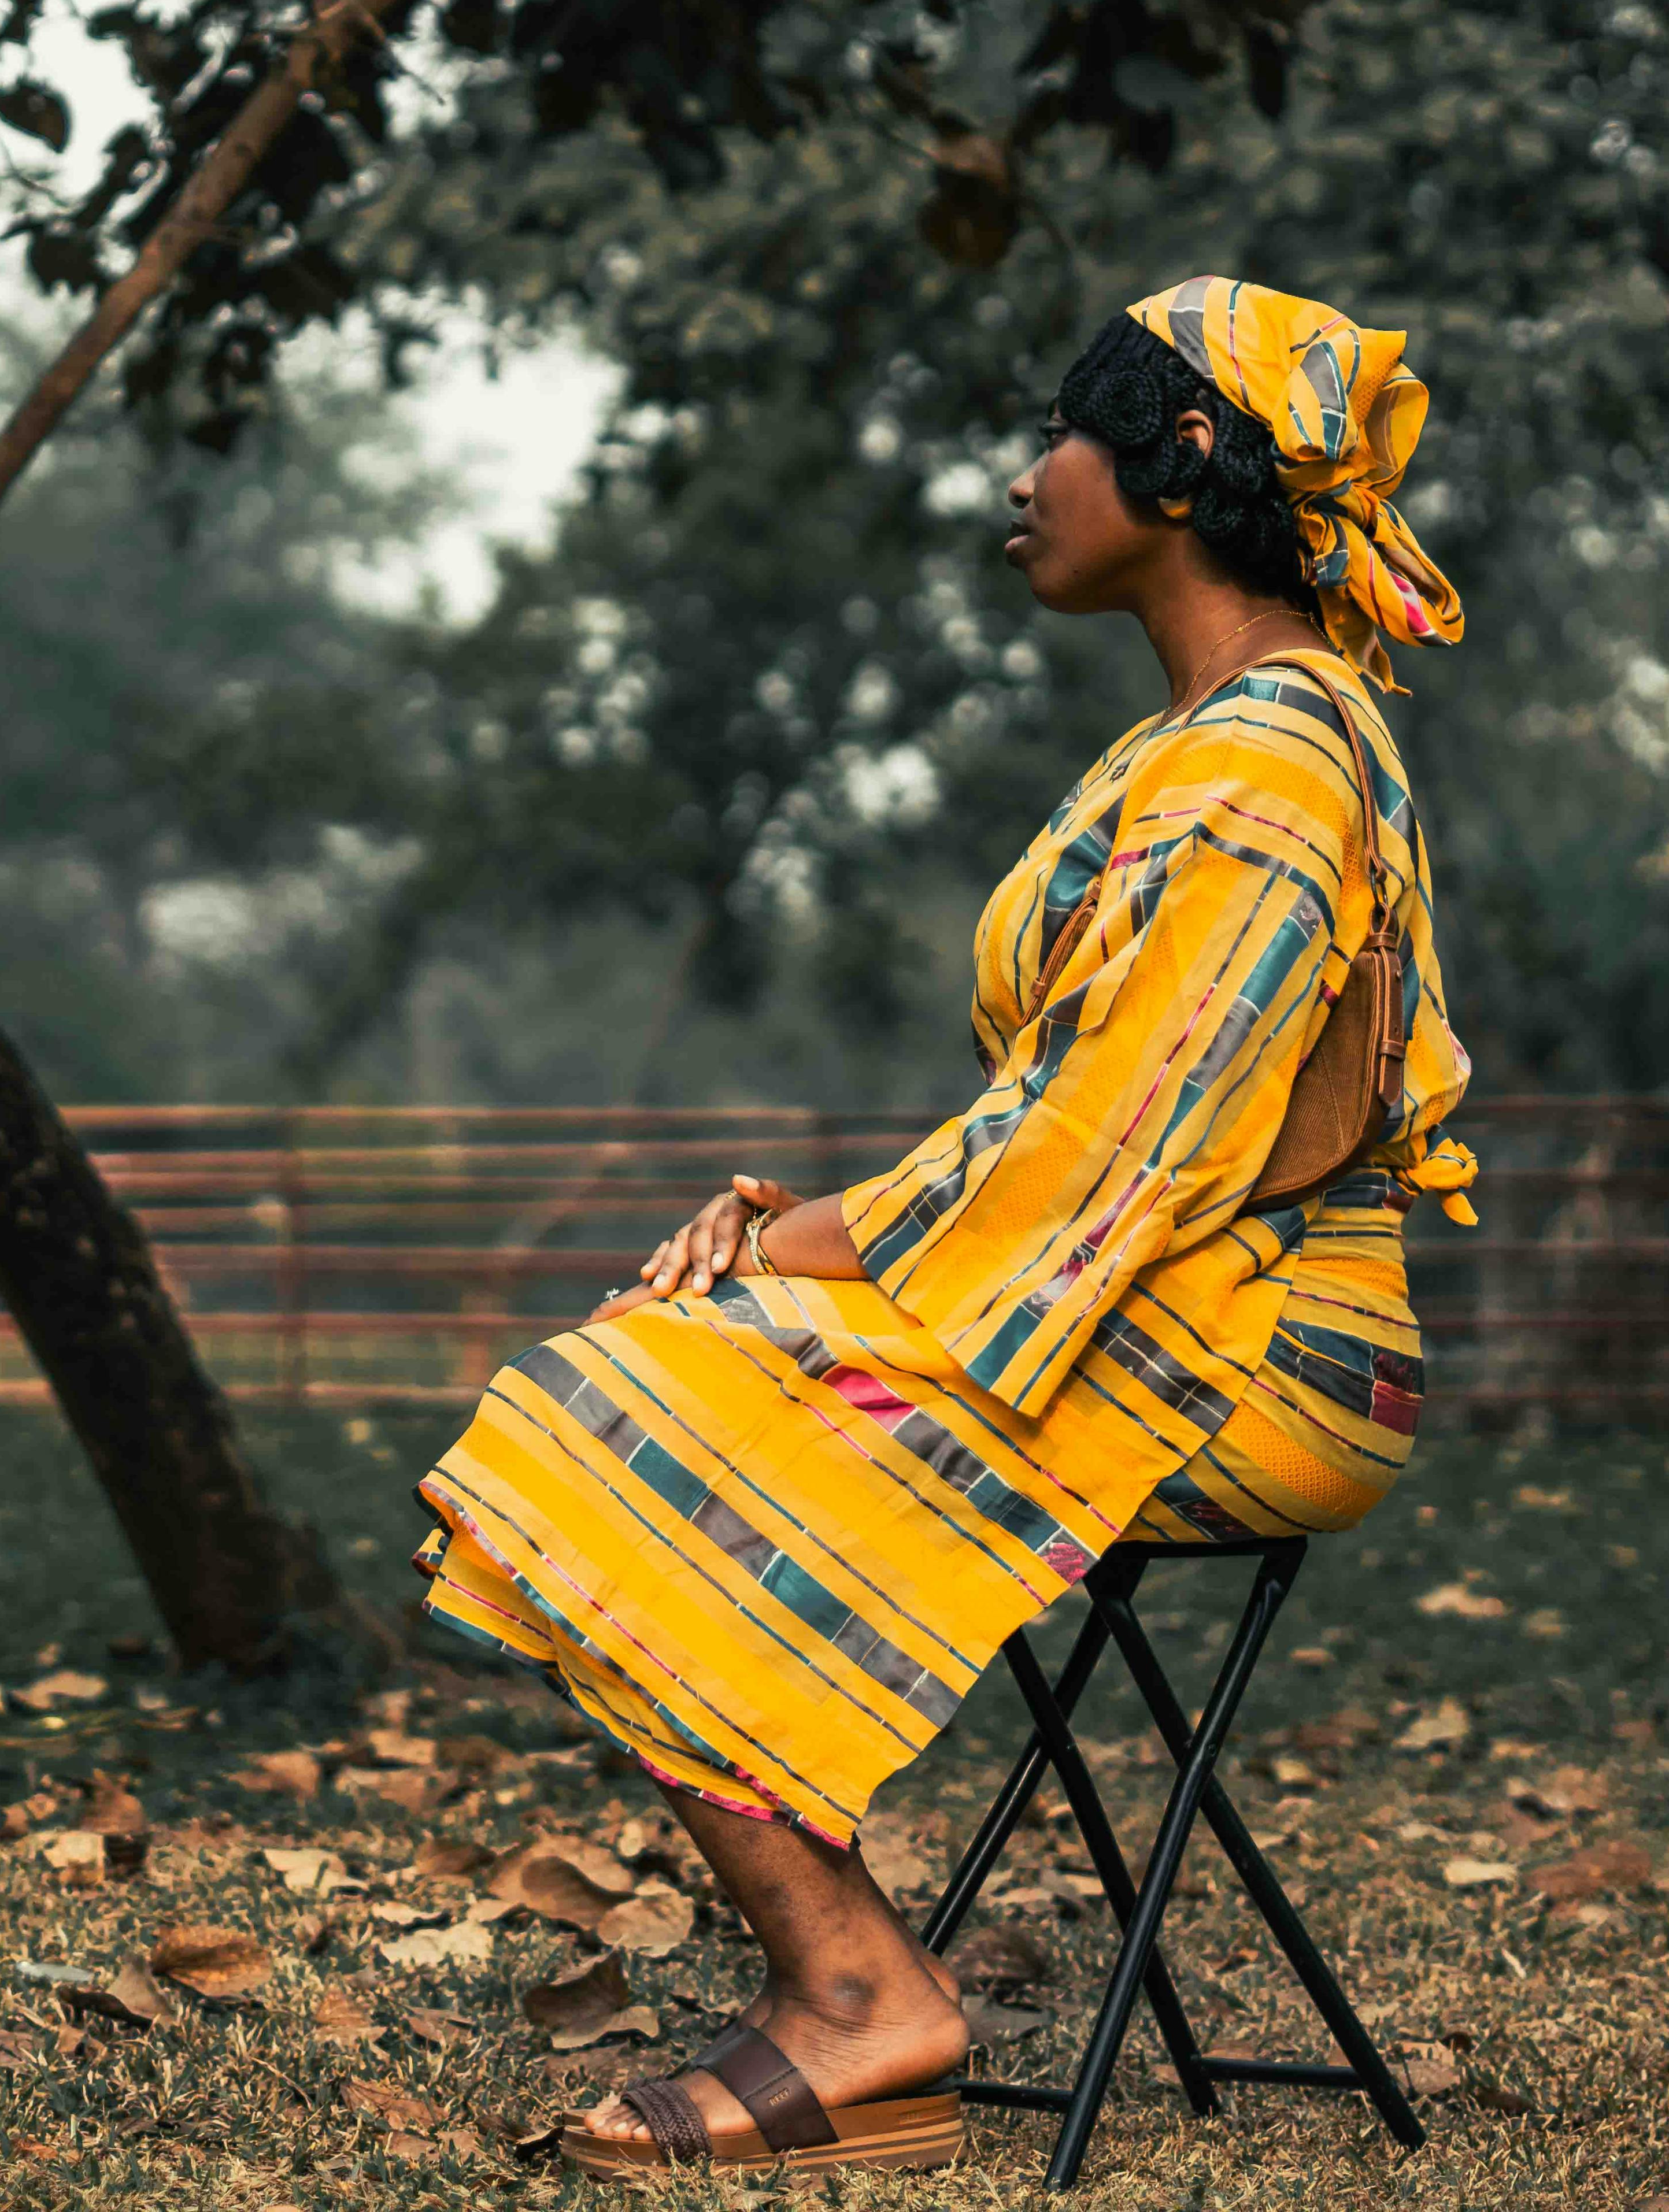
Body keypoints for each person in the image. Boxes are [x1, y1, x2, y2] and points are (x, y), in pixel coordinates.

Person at [407, 278, 1483, 2179]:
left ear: (1185, 462)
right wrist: (797, 1232)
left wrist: (798, 1242)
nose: (1024, 472)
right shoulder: (1209, 742)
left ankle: (856, 2003)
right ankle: (843, 1986)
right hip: (1149, 1303)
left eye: (1063, 429)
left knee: (590, 1423)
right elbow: (1073, 1138)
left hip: (1255, 1352)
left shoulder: (1267, 767)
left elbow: (1110, 1152)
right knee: (607, 1409)